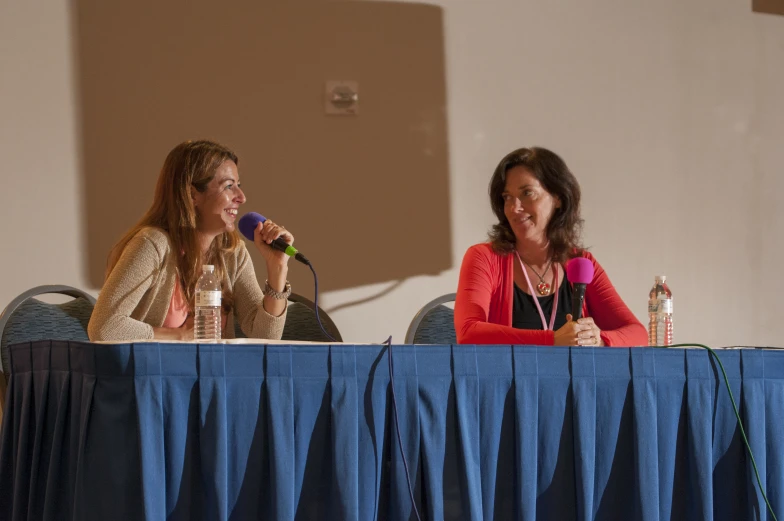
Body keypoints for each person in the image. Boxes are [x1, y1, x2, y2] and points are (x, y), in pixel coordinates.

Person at [88, 139, 294, 341]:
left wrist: (277, 269)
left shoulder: (232, 251)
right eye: (229, 186)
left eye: (238, 185)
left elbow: (265, 337)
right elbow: (104, 327)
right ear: (192, 194)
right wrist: (180, 336)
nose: (241, 197)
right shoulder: (153, 245)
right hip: (154, 373)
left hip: (211, 373)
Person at [454, 147, 647, 346]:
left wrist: (599, 340)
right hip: (506, 378)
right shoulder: (483, 257)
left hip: (572, 378)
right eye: (507, 197)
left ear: (558, 198)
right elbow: (468, 332)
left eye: (527, 193)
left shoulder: (581, 263)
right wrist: (552, 340)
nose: (514, 208)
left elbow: (638, 334)